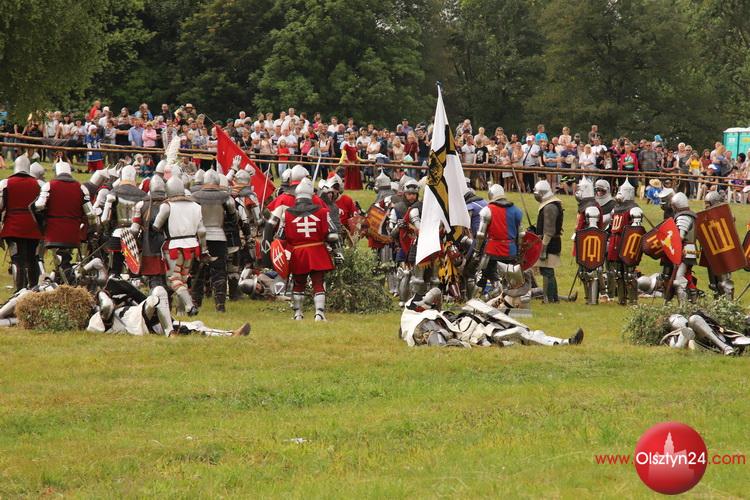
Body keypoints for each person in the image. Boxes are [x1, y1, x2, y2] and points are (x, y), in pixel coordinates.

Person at [399, 288, 584, 348]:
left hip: (472, 321)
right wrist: (457, 344)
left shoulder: (434, 315)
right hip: (471, 331)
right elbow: (437, 340)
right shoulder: (423, 321)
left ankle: (564, 342)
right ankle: (564, 342)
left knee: (518, 333)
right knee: (518, 333)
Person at [87, 277, 250, 338]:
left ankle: (230, 334)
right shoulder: (98, 316)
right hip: (138, 320)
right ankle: (170, 334)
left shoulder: (99, 322)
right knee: (158, 292)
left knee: (192, 326)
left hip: (145, 322)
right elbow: (107, 306)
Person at [282, 178, 341, 321]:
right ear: (311, 195)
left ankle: (298, 314)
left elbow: (281, 237)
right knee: (318, 282)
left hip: (298, 253)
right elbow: (333, 235)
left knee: (298, 283)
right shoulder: (323, 212)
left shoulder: (287, 214)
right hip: (317, 251)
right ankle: (319, 314)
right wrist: (337, 252)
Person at [33, 160, 98, 284]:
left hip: (54, 231)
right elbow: (90, 213)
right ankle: (64, 281)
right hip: (73, 231)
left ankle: (64, 284)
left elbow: (39, 205)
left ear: (57, 171)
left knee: (54, 258)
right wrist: (92, 229)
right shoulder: (81, 187)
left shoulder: (49, 185)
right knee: (65, 257)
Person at [152, 176, 207, 316]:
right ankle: (181, 311)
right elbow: (202, 231)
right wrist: (204, 249)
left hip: (174, 247)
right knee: (183, 278)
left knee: (173, 279)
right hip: (192, 246)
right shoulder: (196, 206)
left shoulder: (167, 206)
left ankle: (189, 306)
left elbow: (156, 226)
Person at [190, 169, 238, 312]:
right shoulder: (226, 197)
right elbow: (233, 218)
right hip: (219, 237)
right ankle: (220, 306)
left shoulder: (195, 197)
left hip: (199, 238)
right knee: (219, 271)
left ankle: (196, 303)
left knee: (198, 270)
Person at [0, 154, 44, 290]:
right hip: (32, 227)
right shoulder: (38, 184)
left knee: (17, 259)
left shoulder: (5, 183)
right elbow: (43, 208)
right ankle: (33, 290)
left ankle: (19, 290)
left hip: (12, 227)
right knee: (32, 259)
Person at [474, 184, 523, 299]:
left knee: (483, 275)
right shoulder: (516, 211)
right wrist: (519, 250)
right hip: (511, 250)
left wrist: (477, 250)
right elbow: (521, 234)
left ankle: (481, 298)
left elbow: (480, 235)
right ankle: (506, 297)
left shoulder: (487, 210)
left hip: (492, 251)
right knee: (509, 278)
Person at [100, 165, 147, 276]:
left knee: (115, 267)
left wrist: (106, 231)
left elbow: (104, 219)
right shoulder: (143, 195)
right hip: (136, 235)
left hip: (118, 234)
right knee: (134, 269)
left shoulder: (113, 192)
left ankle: (114, 279)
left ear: (121, 176)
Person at [605, 179, 644, 305]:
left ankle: (633, 300)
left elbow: (636, 230)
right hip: (615, 242)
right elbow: (610, 227)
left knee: (629, 274)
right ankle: (621, 300)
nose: (619, 194)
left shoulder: (634, 209)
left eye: (622, 191)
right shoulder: (615, 209)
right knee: (617, 273)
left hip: (628, 243)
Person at [573, 177, 603, 304]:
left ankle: (592, 299)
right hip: (585, 240)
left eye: (580, 190)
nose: (577, 192)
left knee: (590, 271)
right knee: (584, 272)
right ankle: (588, 298)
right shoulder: (586, 205)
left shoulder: (591, 207)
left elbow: (594, 228)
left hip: (589, 242)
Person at [533, 180, 563, 303]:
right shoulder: (548, 204)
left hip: (549, 243)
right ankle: (553, 298)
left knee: (547, 271)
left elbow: (549, 230)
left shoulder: (550, 207)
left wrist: (543, 248)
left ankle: (549, 298)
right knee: (547, 270)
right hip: (549, 242)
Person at [670, 192, 697, 304]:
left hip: (685, 250)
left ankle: (683, 306)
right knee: (688, 276)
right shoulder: (691, 215)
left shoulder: (683, 217)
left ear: (676, 206)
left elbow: (680, 237)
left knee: (679, 279)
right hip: (691, 250)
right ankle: (693, 303)